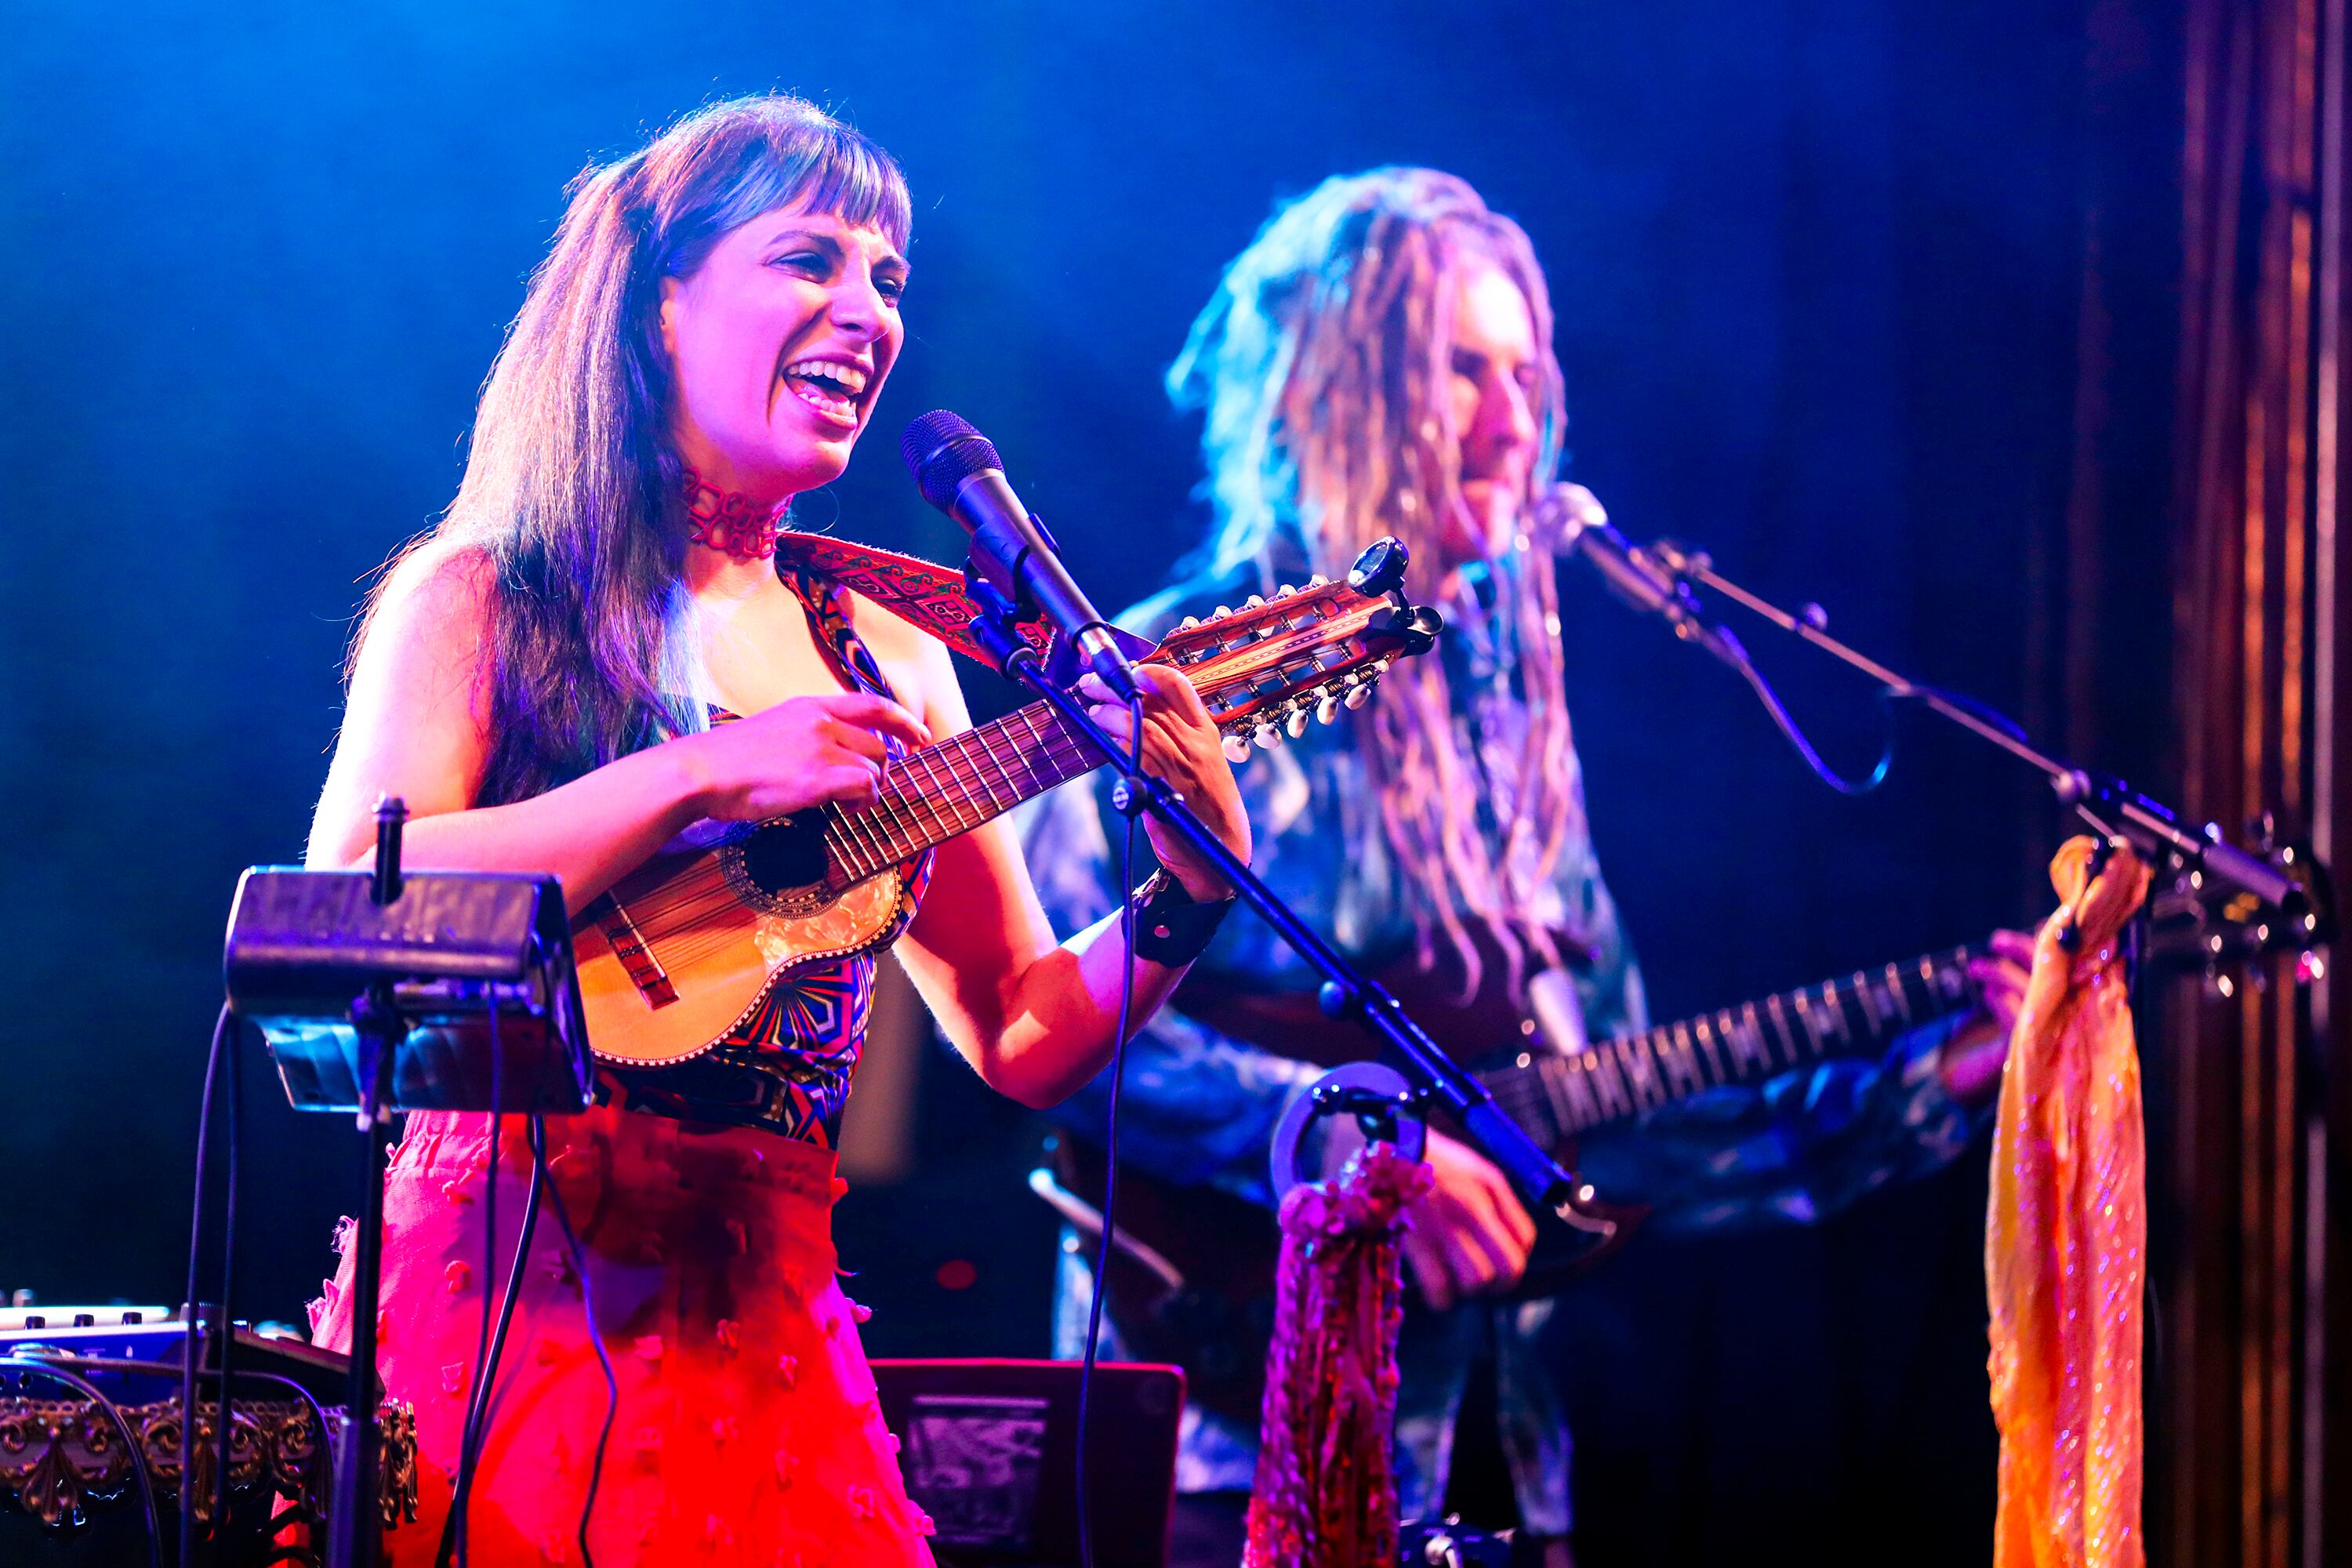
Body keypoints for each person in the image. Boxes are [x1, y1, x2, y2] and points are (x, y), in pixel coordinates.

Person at [1019, 168, 2030, 1568]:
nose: (1513, 422)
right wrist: (1358, 1142)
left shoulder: (1517, 731)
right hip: (1220, 1440)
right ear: (1332, 382)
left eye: (1524, 373)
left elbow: (1612, 1106)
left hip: (1495, 1457)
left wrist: (1935, 1077)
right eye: (1459, 370)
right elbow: (1048, 1034)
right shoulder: (1168, 678)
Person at [302, 96, 1249, 1568]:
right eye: (811, 259)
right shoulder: (486, 598)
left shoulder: (894, 656)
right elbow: (361, 896)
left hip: (772, 1337)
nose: (866, 312)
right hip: (499, 1316)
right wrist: (697, 777)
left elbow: (1017, 1028)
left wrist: (1186, 894)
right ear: (659, 303)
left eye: (888, 280)